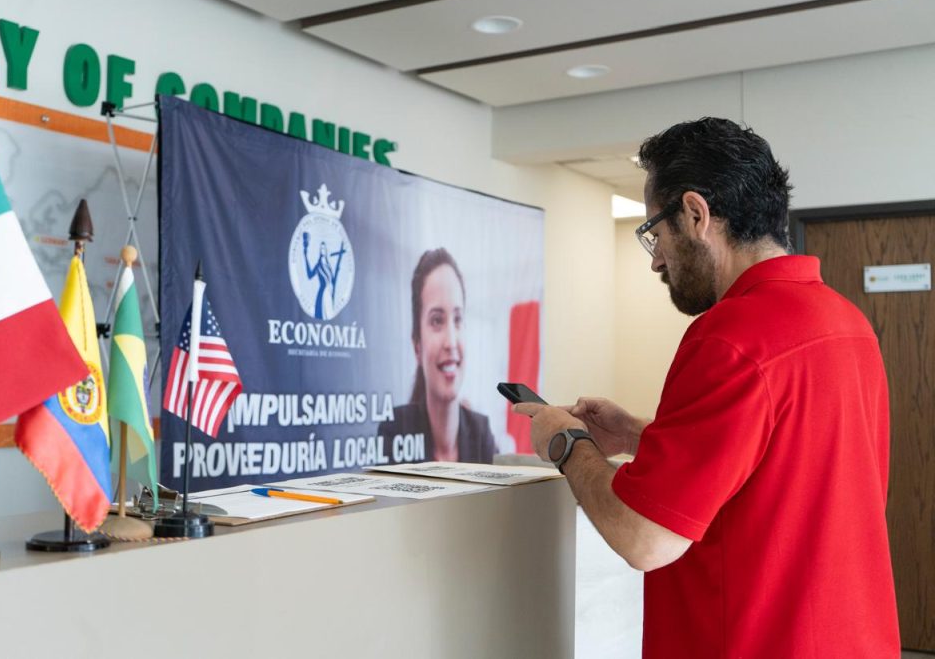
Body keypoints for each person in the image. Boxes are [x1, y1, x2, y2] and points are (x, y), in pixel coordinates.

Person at [516, 118, 900, 657]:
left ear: (696, 214)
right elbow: (787, 464)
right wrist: (641, 435)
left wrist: (566, 443)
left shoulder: (731, 337)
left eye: (655, 233)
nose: (656, 259)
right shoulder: (846, 323)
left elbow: (644, 538)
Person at [379, 248, 496, 463]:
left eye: (457, 319)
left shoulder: (481, 433)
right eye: (437, 320)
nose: (451, 342)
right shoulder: (394, 432)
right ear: (417, 345)